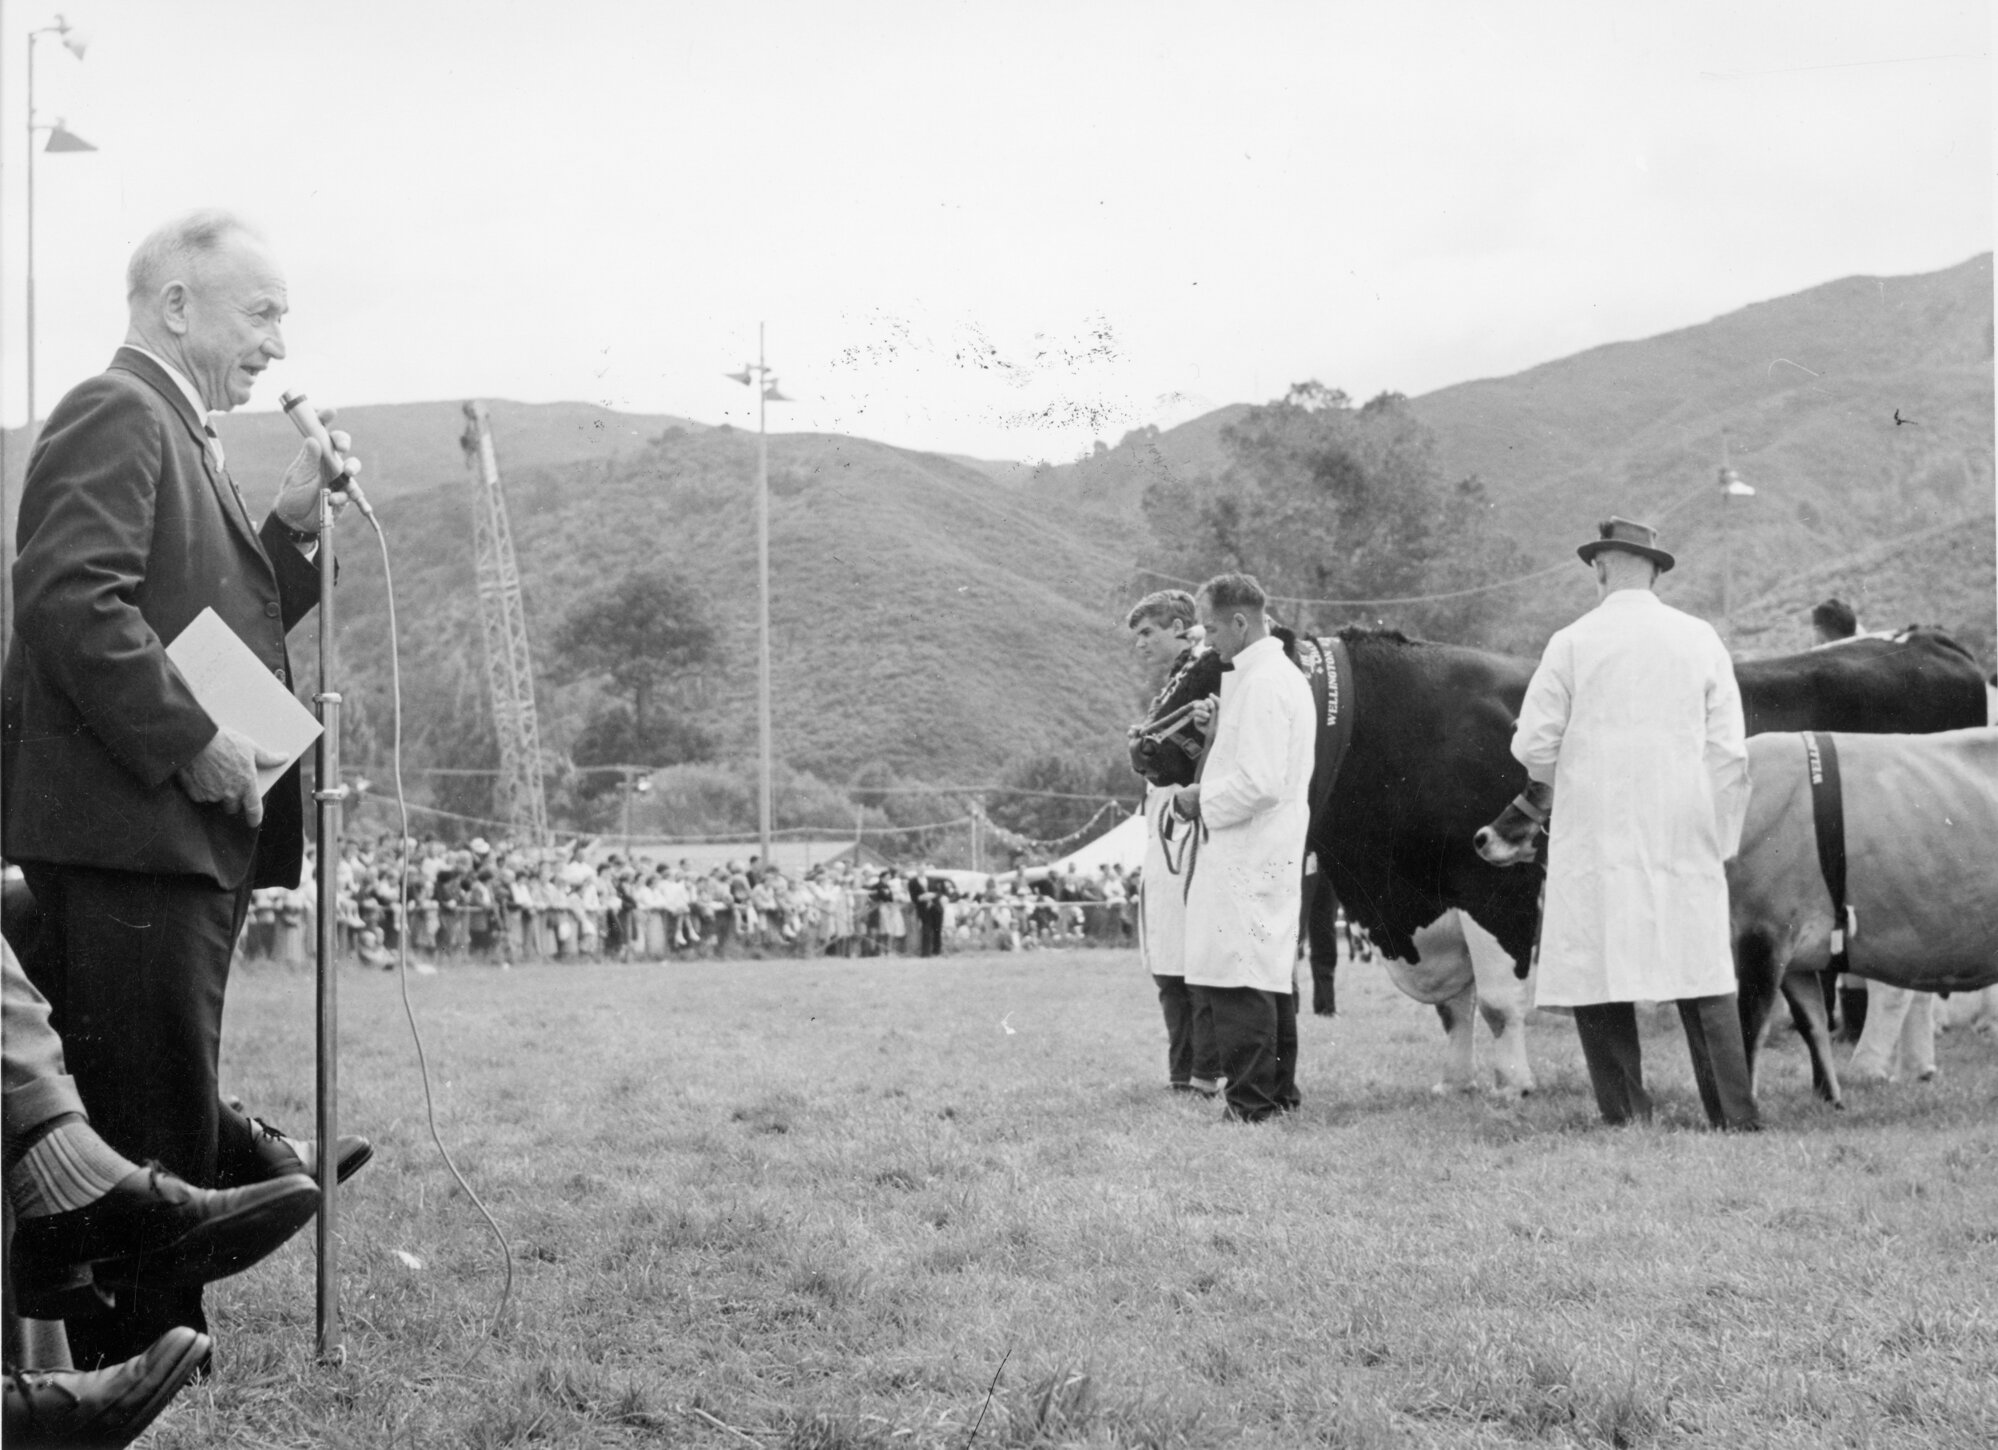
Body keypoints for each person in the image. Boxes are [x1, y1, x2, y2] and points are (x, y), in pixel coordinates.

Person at [2, 210, 372, 1368]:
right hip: (129, 834)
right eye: (258, 310)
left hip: (164, 835)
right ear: (177, 304)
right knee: (141, 1111)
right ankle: (148, 1363)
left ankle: (155, 1352)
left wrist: (293, 528)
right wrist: (194, 742)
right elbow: (74, 601)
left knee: (155, 1092)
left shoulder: (185, 428)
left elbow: (204, 621)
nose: (277, 339)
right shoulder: (119, 409)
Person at [1511, 517, 1759, 1131]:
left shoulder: (1570, 642)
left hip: (1597, 829)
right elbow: (1731, 753)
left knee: (1601, 967)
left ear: (1599, 568)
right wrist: (1721, 837)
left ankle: (1628, 1115)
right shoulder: (1699, 637)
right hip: (1683, 825)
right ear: (1654, 569)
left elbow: (1533, 744)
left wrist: (1573, 779)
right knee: (1700, 967)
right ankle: (1733, 1115)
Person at [1174, 575, 1315, 1123]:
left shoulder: (1261, 683)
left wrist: (1198, 799)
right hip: (1266, 846)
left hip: (1248, 847)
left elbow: (1258, 783)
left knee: (1240, 975)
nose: (1207, 642)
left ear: (1240, 622)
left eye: (1211, 628)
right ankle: (1276, 1095)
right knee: (1266, 972)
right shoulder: (1276, 676)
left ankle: (1252, 1102)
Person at [1126, 589, 1222, 1096]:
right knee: (1169, 950)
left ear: (1182, 625)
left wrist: (1144, 748)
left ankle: (1201, 1069)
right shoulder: (1181, 676)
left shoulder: (1204, 669)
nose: (1140, 644)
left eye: (1148, 633)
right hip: (1166, 821)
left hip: (1187, 818)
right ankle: (1185, 1068)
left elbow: (1163, 754)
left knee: (1187, 951)